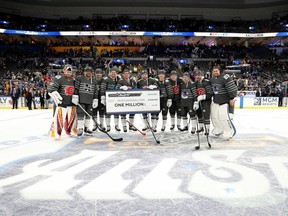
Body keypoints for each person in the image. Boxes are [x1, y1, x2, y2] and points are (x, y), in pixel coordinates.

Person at [47, 64, 77, 139]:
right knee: (59, 119)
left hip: (71, 103)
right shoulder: (59, 78)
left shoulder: (73, 80)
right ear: (64, 71)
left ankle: (70, 131)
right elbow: (51, 87)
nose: (68, 73)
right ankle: (56, 133)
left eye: (70, 72)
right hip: (61, 103)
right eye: (67, 71)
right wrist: (53, 91)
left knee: (71, 120)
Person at [210, 65, 237, 140]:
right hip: (216, 101)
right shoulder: (212, 79)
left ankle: (229, 131)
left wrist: (232, 98)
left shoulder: (225, 78)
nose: (215, 72)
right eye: (214, 71)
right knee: (214, 116)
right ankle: (219, 129)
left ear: (219, 71)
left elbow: (232, 88)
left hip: (224, 101)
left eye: (216, 71)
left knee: (223, 117)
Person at [73, 66, 99, 137]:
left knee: (89, 115)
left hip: (90, 101)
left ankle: (86, 128)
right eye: (87, 71)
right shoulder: (79, 78)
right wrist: (75, 96)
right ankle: (80, 128)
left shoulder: (94, 80)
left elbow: (96, 91)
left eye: (90, 71)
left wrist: (95, 99)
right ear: (84, 72)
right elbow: (76, 88)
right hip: (81, 100)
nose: (88, 73)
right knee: (81, 114)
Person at [191, 70, 213, 135]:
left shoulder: (207, 82)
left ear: (201, 75)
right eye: (196, 75)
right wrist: (196, 101)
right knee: (199, 114)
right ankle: (201, 128)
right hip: (198, 102)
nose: (198, 76)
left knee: (206, 115)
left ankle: (207, 129)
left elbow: (210, 93)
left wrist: (203, 97)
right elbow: (194, 94)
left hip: (206, 101)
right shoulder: (195, 83)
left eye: (199, 75)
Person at [100, 66, 120, 132]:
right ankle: (108, 126)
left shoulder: (118, 80)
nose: (113, 74)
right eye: (112, 72)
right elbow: (102, 89)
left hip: (116, 99)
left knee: (116, 112)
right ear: (109, 73)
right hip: (108, 99)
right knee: (107, 113)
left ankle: (116, 125)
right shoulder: (106, 79)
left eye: (114, 73)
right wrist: (103, 97)